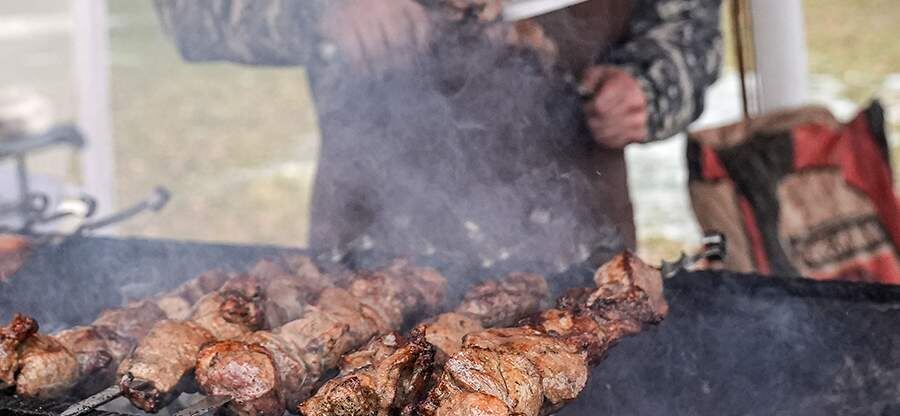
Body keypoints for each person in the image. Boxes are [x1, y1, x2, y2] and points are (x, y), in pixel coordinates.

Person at [154, 0, 721, 282]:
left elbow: (689, 28)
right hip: (368, 256)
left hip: (582, 258)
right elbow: (189, 15)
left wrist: (650, 85)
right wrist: (320, 11)